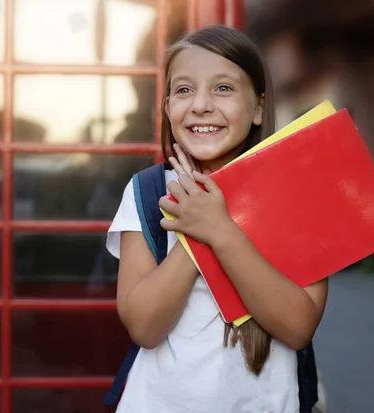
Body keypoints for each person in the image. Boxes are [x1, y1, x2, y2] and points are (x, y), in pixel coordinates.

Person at [106, 25, 328, 413]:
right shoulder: (145, 190)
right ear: (167, 107)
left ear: (259, 107)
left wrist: (220, 230)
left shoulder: (297, 195)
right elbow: (144, 327)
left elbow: (297, 328)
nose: (201, 105)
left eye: (223, 88)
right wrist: (195, 231)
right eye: (184, 90)